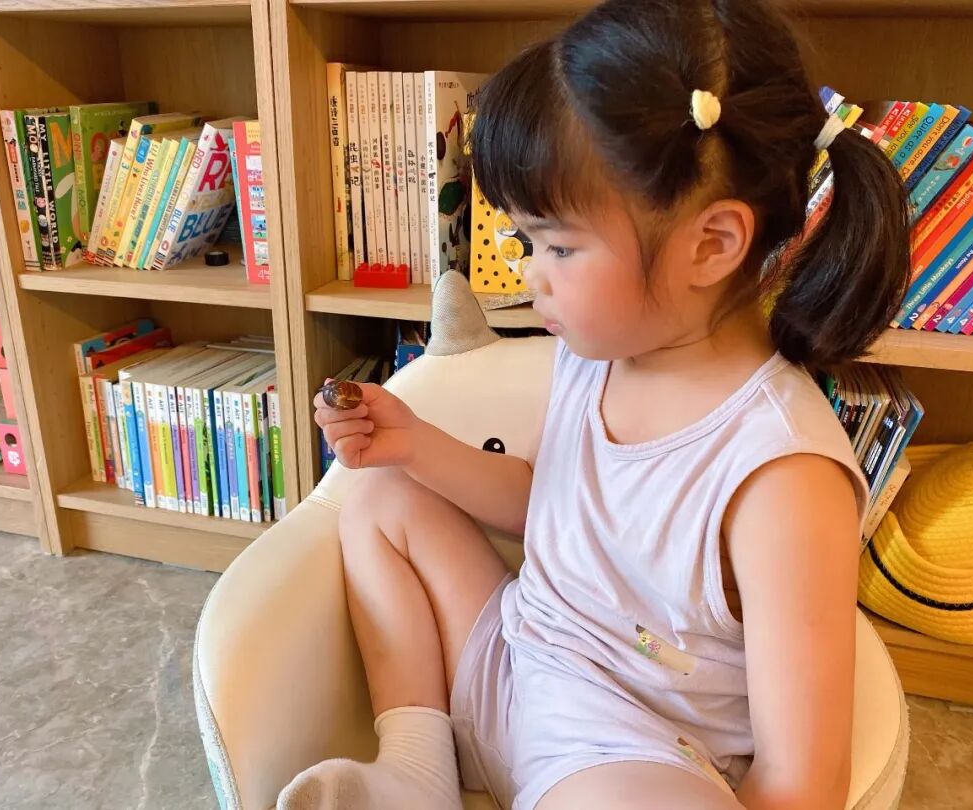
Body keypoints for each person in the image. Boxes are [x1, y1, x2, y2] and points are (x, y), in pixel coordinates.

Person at [281, 0, 909, 808]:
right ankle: (418, 765)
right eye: (526, 242)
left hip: (634, 753)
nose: (530, 273)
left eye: (559, 245)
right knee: (377, 499)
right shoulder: (595, 356)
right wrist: (412, 446)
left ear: (712, 243)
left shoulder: (783, 473)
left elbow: (803, 780)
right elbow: (553, 508)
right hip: (516, 664)